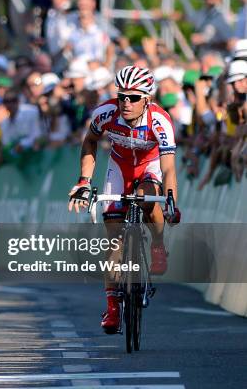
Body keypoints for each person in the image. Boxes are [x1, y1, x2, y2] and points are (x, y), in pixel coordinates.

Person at [67, 65, 181, 334]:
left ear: (147, 99)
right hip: (118, 168)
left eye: (133, 97)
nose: (126, 103)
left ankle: (157, 243)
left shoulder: (160, 121)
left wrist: (171, 200)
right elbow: (89, 142)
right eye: (122, 96)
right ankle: (113, 308)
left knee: (146, 197)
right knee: (115, 240)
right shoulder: (106, 113)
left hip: (149, 167)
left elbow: (168, 168)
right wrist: (84, 182)